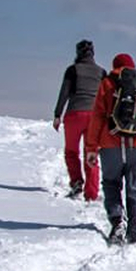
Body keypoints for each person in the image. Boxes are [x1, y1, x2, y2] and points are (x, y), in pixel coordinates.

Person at [85, 53, 136, 244]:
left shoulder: (108, 84)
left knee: (111, 183)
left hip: (111, 144)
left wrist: (91, 147)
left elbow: (97, 117)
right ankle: (135, 230)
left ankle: (117, 219)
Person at [52, 39, 106, 200]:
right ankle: (91, 193)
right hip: (95, 117)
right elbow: (106, 97)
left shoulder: (72, 70)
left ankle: (76, 182)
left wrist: (57, 115)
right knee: (91, 153)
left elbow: (65, 92)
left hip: (74, 115)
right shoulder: (101, 72)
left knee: (71, 151)